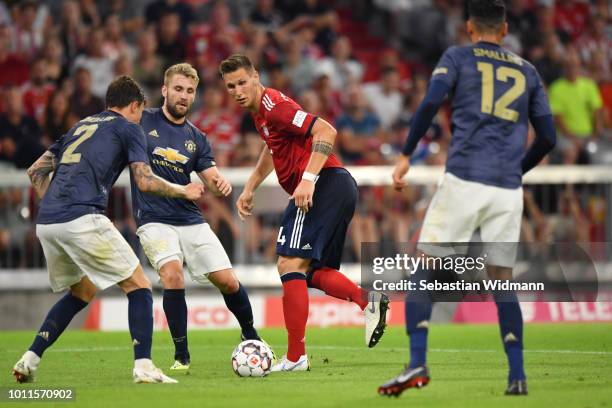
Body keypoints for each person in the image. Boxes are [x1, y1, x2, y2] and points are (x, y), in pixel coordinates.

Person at [379, 0, 556, 397]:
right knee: (502, 281)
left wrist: (406, 153)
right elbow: (549, 137)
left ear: (471, 28)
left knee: (424, 266)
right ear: (505, 28)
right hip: (507, 190)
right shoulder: (528, 70)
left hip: (464, 178)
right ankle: (517, 377)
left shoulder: (458, 56)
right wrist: (517, 170)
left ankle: (417, 363)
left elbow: (430, 102)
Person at [12, 75, 204, 384]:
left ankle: (29, 359)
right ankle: (144, 366)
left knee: (82, 291)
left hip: (48, 222)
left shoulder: (80, 126)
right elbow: (144, 180)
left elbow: (36, 170)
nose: (141, 118)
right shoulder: (129, 128)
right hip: (82, 217)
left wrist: (57, 204)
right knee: (139, 286)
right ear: (134, 105)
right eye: (140, 111)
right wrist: (184, 191)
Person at [219, 54, 389, 372]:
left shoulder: (274, 106)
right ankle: (369, 302)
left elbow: (326, 131)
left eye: (243, 82)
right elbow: (273, 148)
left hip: (322, 184)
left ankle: (296, 357)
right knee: (307, 272)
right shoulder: (262, 114)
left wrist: (308, 180)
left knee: (287, 263)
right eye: (231, 86)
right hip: (336, 186)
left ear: (256, 76)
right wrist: (251, 187)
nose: (238, 90)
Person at [133, 63, 260, 373]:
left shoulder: (197, 137)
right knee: (173, 275)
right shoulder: (141, 122)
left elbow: (211, 176)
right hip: (153, 218)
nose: (184, 96)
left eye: (190, 91)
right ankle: (182, 355)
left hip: (190, 220)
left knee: (229, 281)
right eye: (178, 89)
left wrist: (221, 183)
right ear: (164, 90)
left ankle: (251, 334)